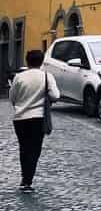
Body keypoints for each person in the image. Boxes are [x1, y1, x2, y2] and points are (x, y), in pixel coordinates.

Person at [10, 49, 60, 192]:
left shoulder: (19, 77)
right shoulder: (46, 76)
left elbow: (12, 98)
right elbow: (56, 95)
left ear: (27, 61)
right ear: (41, 61)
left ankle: (24, 177)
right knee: (34, 149)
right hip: (38, 118)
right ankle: (27, 181)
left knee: (24, 148)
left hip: (20, 118)